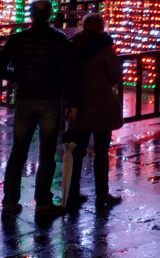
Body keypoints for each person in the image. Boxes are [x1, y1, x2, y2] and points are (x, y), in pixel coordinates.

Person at [0, 0, 69, 216]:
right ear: (50, 15)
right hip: (49, 99)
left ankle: (10, 202)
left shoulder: (18, 39)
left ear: (31, 15)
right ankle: (43, 202)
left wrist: (18, 76)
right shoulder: (59, 40)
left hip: (25, 99)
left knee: (18, 152)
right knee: (48, 152)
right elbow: (66, 73)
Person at [65, 14, 124, 210]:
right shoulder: (104, 47)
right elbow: (115, 74)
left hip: (79, 103)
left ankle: (72, 191)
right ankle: (102, 193)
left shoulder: (72, 45)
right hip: (101, 103)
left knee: (78, 150)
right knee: (101, 151)